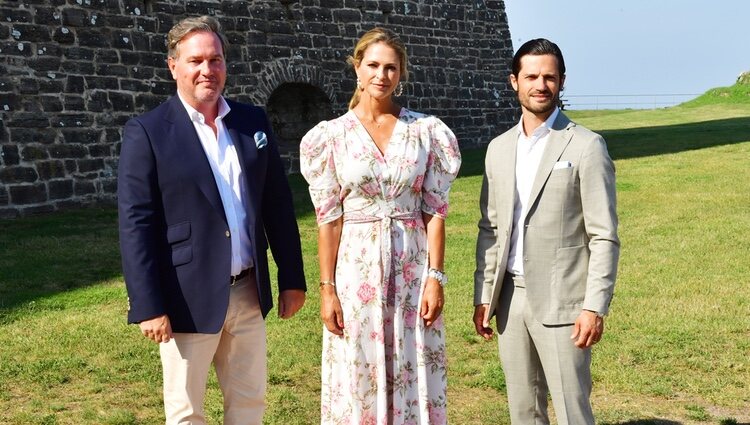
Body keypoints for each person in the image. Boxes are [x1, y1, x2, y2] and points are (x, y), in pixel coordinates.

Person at [117, 16, 306, 424]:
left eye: (216, 59)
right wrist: (148, 304)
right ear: (173, 66)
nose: (208, 70)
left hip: (248, 291)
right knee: (187, 413)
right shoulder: (147, 132)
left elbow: (277, 203)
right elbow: (137, 224)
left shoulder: (251, 121)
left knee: (249, 403)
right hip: (186, 295)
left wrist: (292, 277)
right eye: (196, 60)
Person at [300, 27, 461, 425]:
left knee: (414, 361)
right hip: (356, 273)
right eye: (372, 65)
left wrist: (435, 277)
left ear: (401, 72)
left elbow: (435, 210)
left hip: (412, 268)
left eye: (391, 67)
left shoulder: (426, 132)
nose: (381, 75)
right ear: (357, 67)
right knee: (358, 366)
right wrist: (327, 290)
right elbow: (328, 220)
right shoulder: (331, 137)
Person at [473, 38, 620, 424]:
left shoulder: (587, 146)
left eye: (550, 77)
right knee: (523, 411)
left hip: (566, 303)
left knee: (573, 411)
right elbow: (490, 228)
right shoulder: (498, 149)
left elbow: (603, 235)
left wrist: (593, 306)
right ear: (514, 81)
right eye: (532, 76)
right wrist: (482, 296)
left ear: (562, 82)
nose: (541, 85)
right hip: (509, 302)